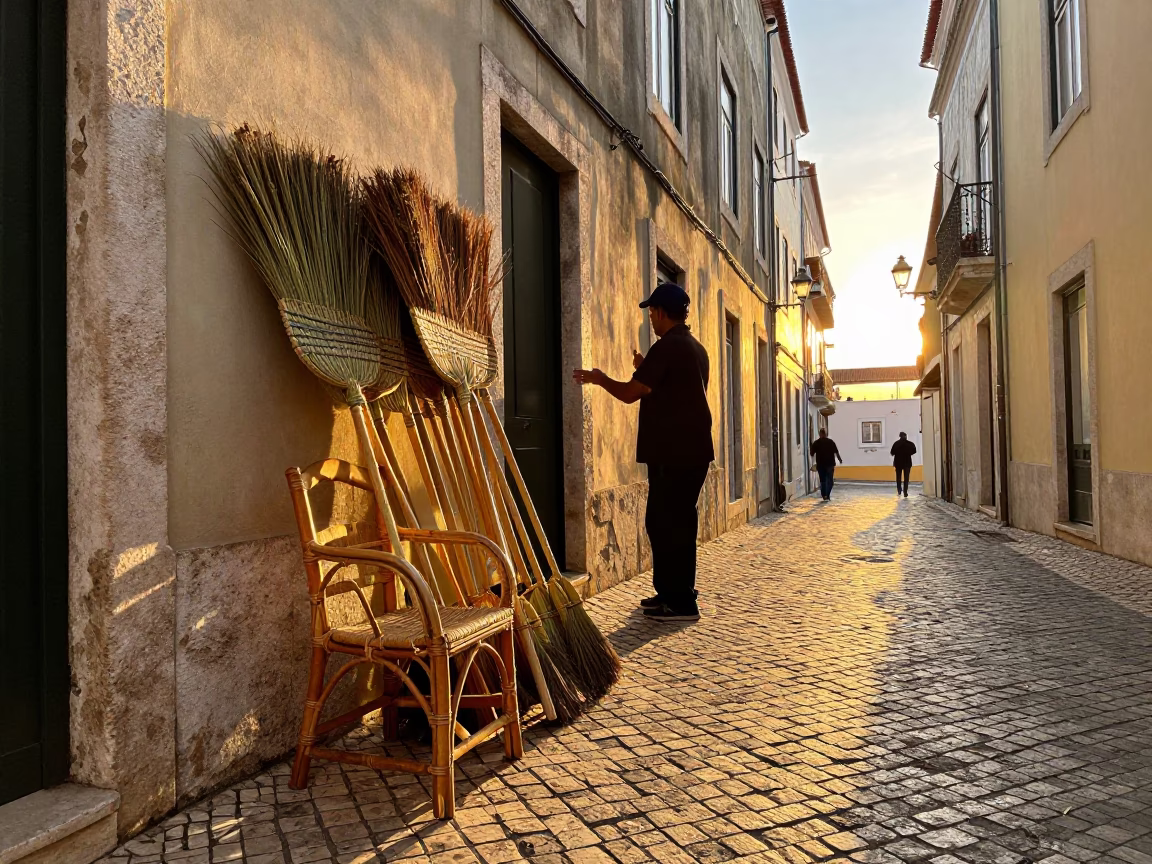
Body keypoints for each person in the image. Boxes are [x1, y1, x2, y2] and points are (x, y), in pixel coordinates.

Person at [573, 282, 713, 622]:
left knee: (667, 524)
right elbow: (673, 389)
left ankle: (680, 602)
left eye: (652, 312)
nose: (651, 318)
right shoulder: (695, 348)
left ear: (663, 313)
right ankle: (672, 593)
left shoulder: (667, 348)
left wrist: (599, 378)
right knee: (676, 522)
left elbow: (630, 393)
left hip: (673, 454)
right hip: (691, 452)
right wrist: (644, 363)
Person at [809, 428, 842, 501]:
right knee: (830, 481)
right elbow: (836, 452)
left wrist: (812, 447)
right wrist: (840, 459)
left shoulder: (816, 443)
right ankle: (828, 494)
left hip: (821, 465)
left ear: (820, 434)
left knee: (823, 480)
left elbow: (811, 454)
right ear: (826, 434)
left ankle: (824, 495)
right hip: (830, 464)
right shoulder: (831, 442)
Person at [891, 431, 917, 497]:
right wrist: (908, 453)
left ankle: (899, 490)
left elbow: (892, 453)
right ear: (905, 436)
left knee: (898, 478)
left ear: (900, 436)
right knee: (906, 478)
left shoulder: (896, 444)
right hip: (907, 463)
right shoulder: (910, 444)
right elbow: (914, 451)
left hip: (898, 463)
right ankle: (905, 492)